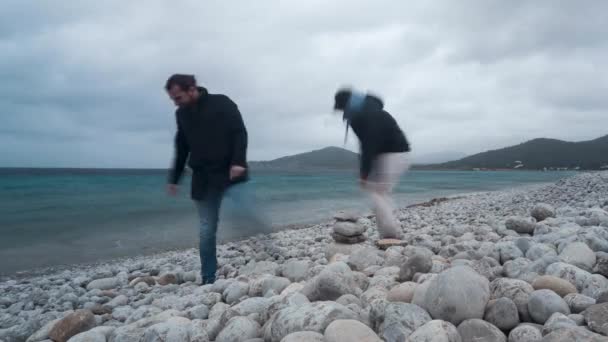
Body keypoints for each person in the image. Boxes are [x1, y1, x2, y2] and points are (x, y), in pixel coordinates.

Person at [165, 74, 258, 284]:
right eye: (173, 99)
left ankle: (268, 256)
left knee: (249, 216)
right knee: (207, 230)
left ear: (192, 89)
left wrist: (238, 162)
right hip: (203, 180)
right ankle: (208, 278)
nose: (175, 103)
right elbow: (181, 148)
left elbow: (239, 133)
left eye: (178, 97)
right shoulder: (181, 115)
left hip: (230, 174)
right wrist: (174, 178)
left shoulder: (222, 103)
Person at [333, 87, 411, 239]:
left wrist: (364, 173)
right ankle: (388, 233)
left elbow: (368, 144)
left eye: (341, 108)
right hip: (392, 153)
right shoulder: (365, 109)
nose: (341, 112)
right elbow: (368, 145)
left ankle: (391, 234)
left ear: (345, 104)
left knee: (376, 193)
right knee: (379, 193)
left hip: (393, 154)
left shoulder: (363, 114)